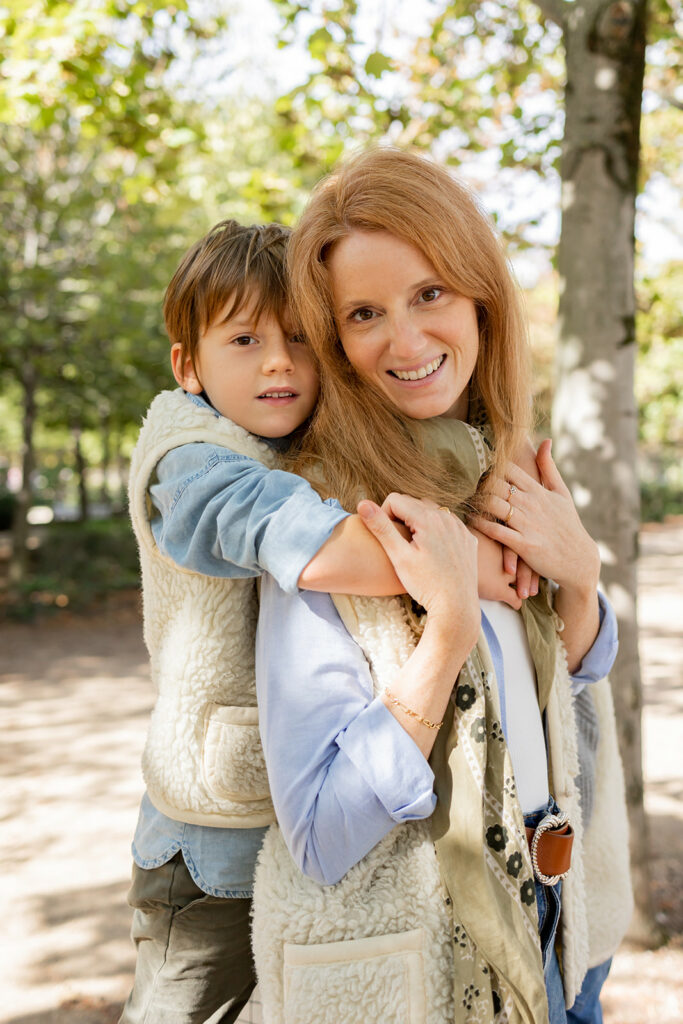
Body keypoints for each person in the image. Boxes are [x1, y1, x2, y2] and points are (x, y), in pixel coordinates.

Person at [251, 148, 632, 1024]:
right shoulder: (327, 525)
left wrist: (579, 579)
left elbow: (566, 698)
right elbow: (318, 835)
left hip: (566, 944)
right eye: (364, 313)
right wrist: (448, 627)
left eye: (430, 293)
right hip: (436, 973)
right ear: (336, 342)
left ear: (479, 297)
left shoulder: (504, 464)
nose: (408, 339)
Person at [120, 218, 523, 1024]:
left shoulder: (307, 441)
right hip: (208, 838)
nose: (278, 363)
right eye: (243, 340)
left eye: (302, 339)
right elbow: (285, 535)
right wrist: (458, 566)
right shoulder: (189, 455)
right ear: (188, 366)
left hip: (290, 833)